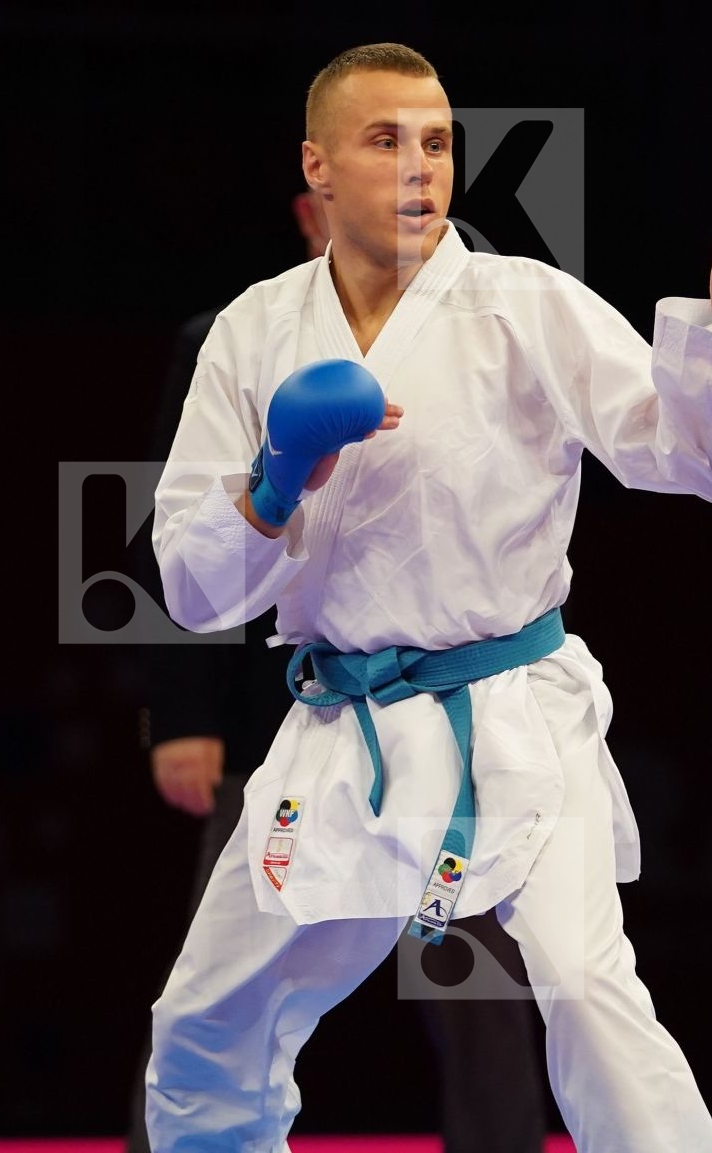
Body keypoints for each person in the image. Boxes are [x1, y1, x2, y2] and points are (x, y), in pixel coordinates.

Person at [146, 42, 712, 1152]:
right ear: (316, 167)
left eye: (439, 142)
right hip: (338, 729)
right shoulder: (252, 334)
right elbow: (192, 585)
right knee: (208, 1022)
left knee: (589, 994)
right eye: (386, 140)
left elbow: (686, 456)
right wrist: (272, 487)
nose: (421, 167)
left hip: (510, 714)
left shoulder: (521, 305)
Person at [128, 190, 549, 1153]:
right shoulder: (236, 337)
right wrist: (182, 711)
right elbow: (182, 537)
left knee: (477, 978)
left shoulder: (479, 330)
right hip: (284, 719)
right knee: (220, 988)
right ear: (308, 208)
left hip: (458, 715)